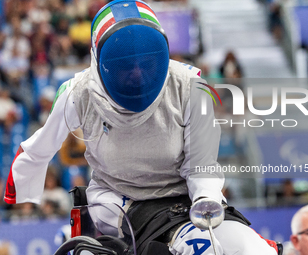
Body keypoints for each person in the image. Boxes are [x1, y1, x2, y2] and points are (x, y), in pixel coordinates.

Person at [4, 1, 277, 254]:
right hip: (116, 198)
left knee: (251, 248)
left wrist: (206, 199)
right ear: (101, 61)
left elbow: (201, 164)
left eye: (146, 63)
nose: (137, 73)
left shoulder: (191, 87)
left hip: (184, 198)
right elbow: (41, 145)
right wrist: (20, 189)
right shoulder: (78, 93)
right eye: (125, 66)